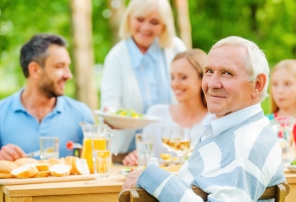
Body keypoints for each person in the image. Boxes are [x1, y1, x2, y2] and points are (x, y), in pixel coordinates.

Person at [122, 36, 285, 201]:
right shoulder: (230, 129)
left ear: (257, 84)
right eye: (209, 72)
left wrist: (153, 177)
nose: (212, 83)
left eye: (227, 73)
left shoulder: (246, 145)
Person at [100, 0, 186, 154]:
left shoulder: (176, 48)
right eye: (140, 19)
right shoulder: (116, 57)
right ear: (129, 19)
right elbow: (110, 106)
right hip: (129, 152)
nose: (145, 27)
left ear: (164, 25)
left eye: (154, 22)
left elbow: (190, 95)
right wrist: (112, 118)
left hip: (172, 150)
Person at [0, 34, 94, 161]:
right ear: (35, 70)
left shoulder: (81, 115)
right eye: (59, 66)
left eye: (68, 66)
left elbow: (94, 168)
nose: (68, 75)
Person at [122, 49, 209, 165]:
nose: (175, 84)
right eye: (172, 77)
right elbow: (144, 159)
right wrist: (136, 159)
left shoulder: (213, 120)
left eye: (183, 77)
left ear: (202, 79)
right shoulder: (156, 114)